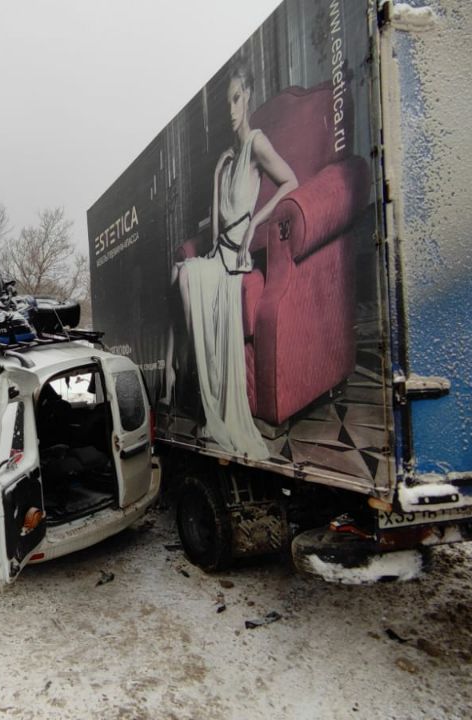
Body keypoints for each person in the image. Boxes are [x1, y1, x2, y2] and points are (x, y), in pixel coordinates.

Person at [165, 59, 298, 460]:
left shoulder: (257, 143)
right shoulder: (226, 158)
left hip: (237, 264)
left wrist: (259, 220)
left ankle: (194, 377)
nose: (231, 108)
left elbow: (291, 181)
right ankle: (178, 367)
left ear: (249, 97)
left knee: (187, 278)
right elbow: (216, 223)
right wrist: (218, 175)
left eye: (236, 98)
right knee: (180, 272)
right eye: (227, 102)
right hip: (218, 255)